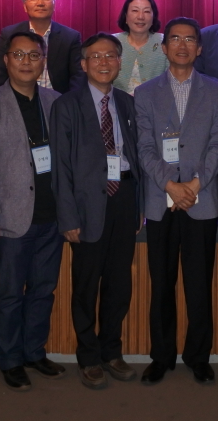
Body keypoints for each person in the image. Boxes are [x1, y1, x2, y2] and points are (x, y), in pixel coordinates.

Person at [134, 17, 218, 385]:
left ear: (199, 48)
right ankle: (161, 356)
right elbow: (144, 147)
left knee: (199, 285)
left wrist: (193, 184)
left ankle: (198, 356)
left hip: (200, 200)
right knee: (161, 285)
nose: (182, 45)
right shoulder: (145, 93)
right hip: (161, 202)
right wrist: (170, 186)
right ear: (164, 47)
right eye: (175, 38)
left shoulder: (216, 92)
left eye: (190, 39)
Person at [0, 31, 64, 391]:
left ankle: (34, 352)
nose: (26, 62)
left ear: (43, 62)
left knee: (43, 290)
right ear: (6, 60)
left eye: (34, 55)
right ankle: (9, 359)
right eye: (19, 55)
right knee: (9, 294)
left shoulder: (56, 102)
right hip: (11, 218)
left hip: (52, 216)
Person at [51, 33, 142, 390]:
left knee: (119, 283)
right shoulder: (67, 105)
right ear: (84, 64)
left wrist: (138, 206)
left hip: (124, 198)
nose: (104, 62)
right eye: (96, 57)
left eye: (110, 56)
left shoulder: (127, 103)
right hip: (86, 205)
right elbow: (60, 167)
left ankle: (111, 351)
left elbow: (136, 156)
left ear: (120, 62)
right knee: (87, 285)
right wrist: (68, 216)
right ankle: (88, 356)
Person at [0, 0, 83, 93]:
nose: (40, 3)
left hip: (57, 99)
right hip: (17, 98)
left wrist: (70, 103)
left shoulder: (70, 37)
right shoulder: (9, 34)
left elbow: (78, 78)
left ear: (54, 4)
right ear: (25, 6)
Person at [113, 0, 168, 95]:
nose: (141, 17)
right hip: (116, 102)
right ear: (125, 16)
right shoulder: (111, 42)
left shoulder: (165, 42)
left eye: (146, 11)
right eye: (135, 10)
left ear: (153, 17)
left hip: (156, 102)